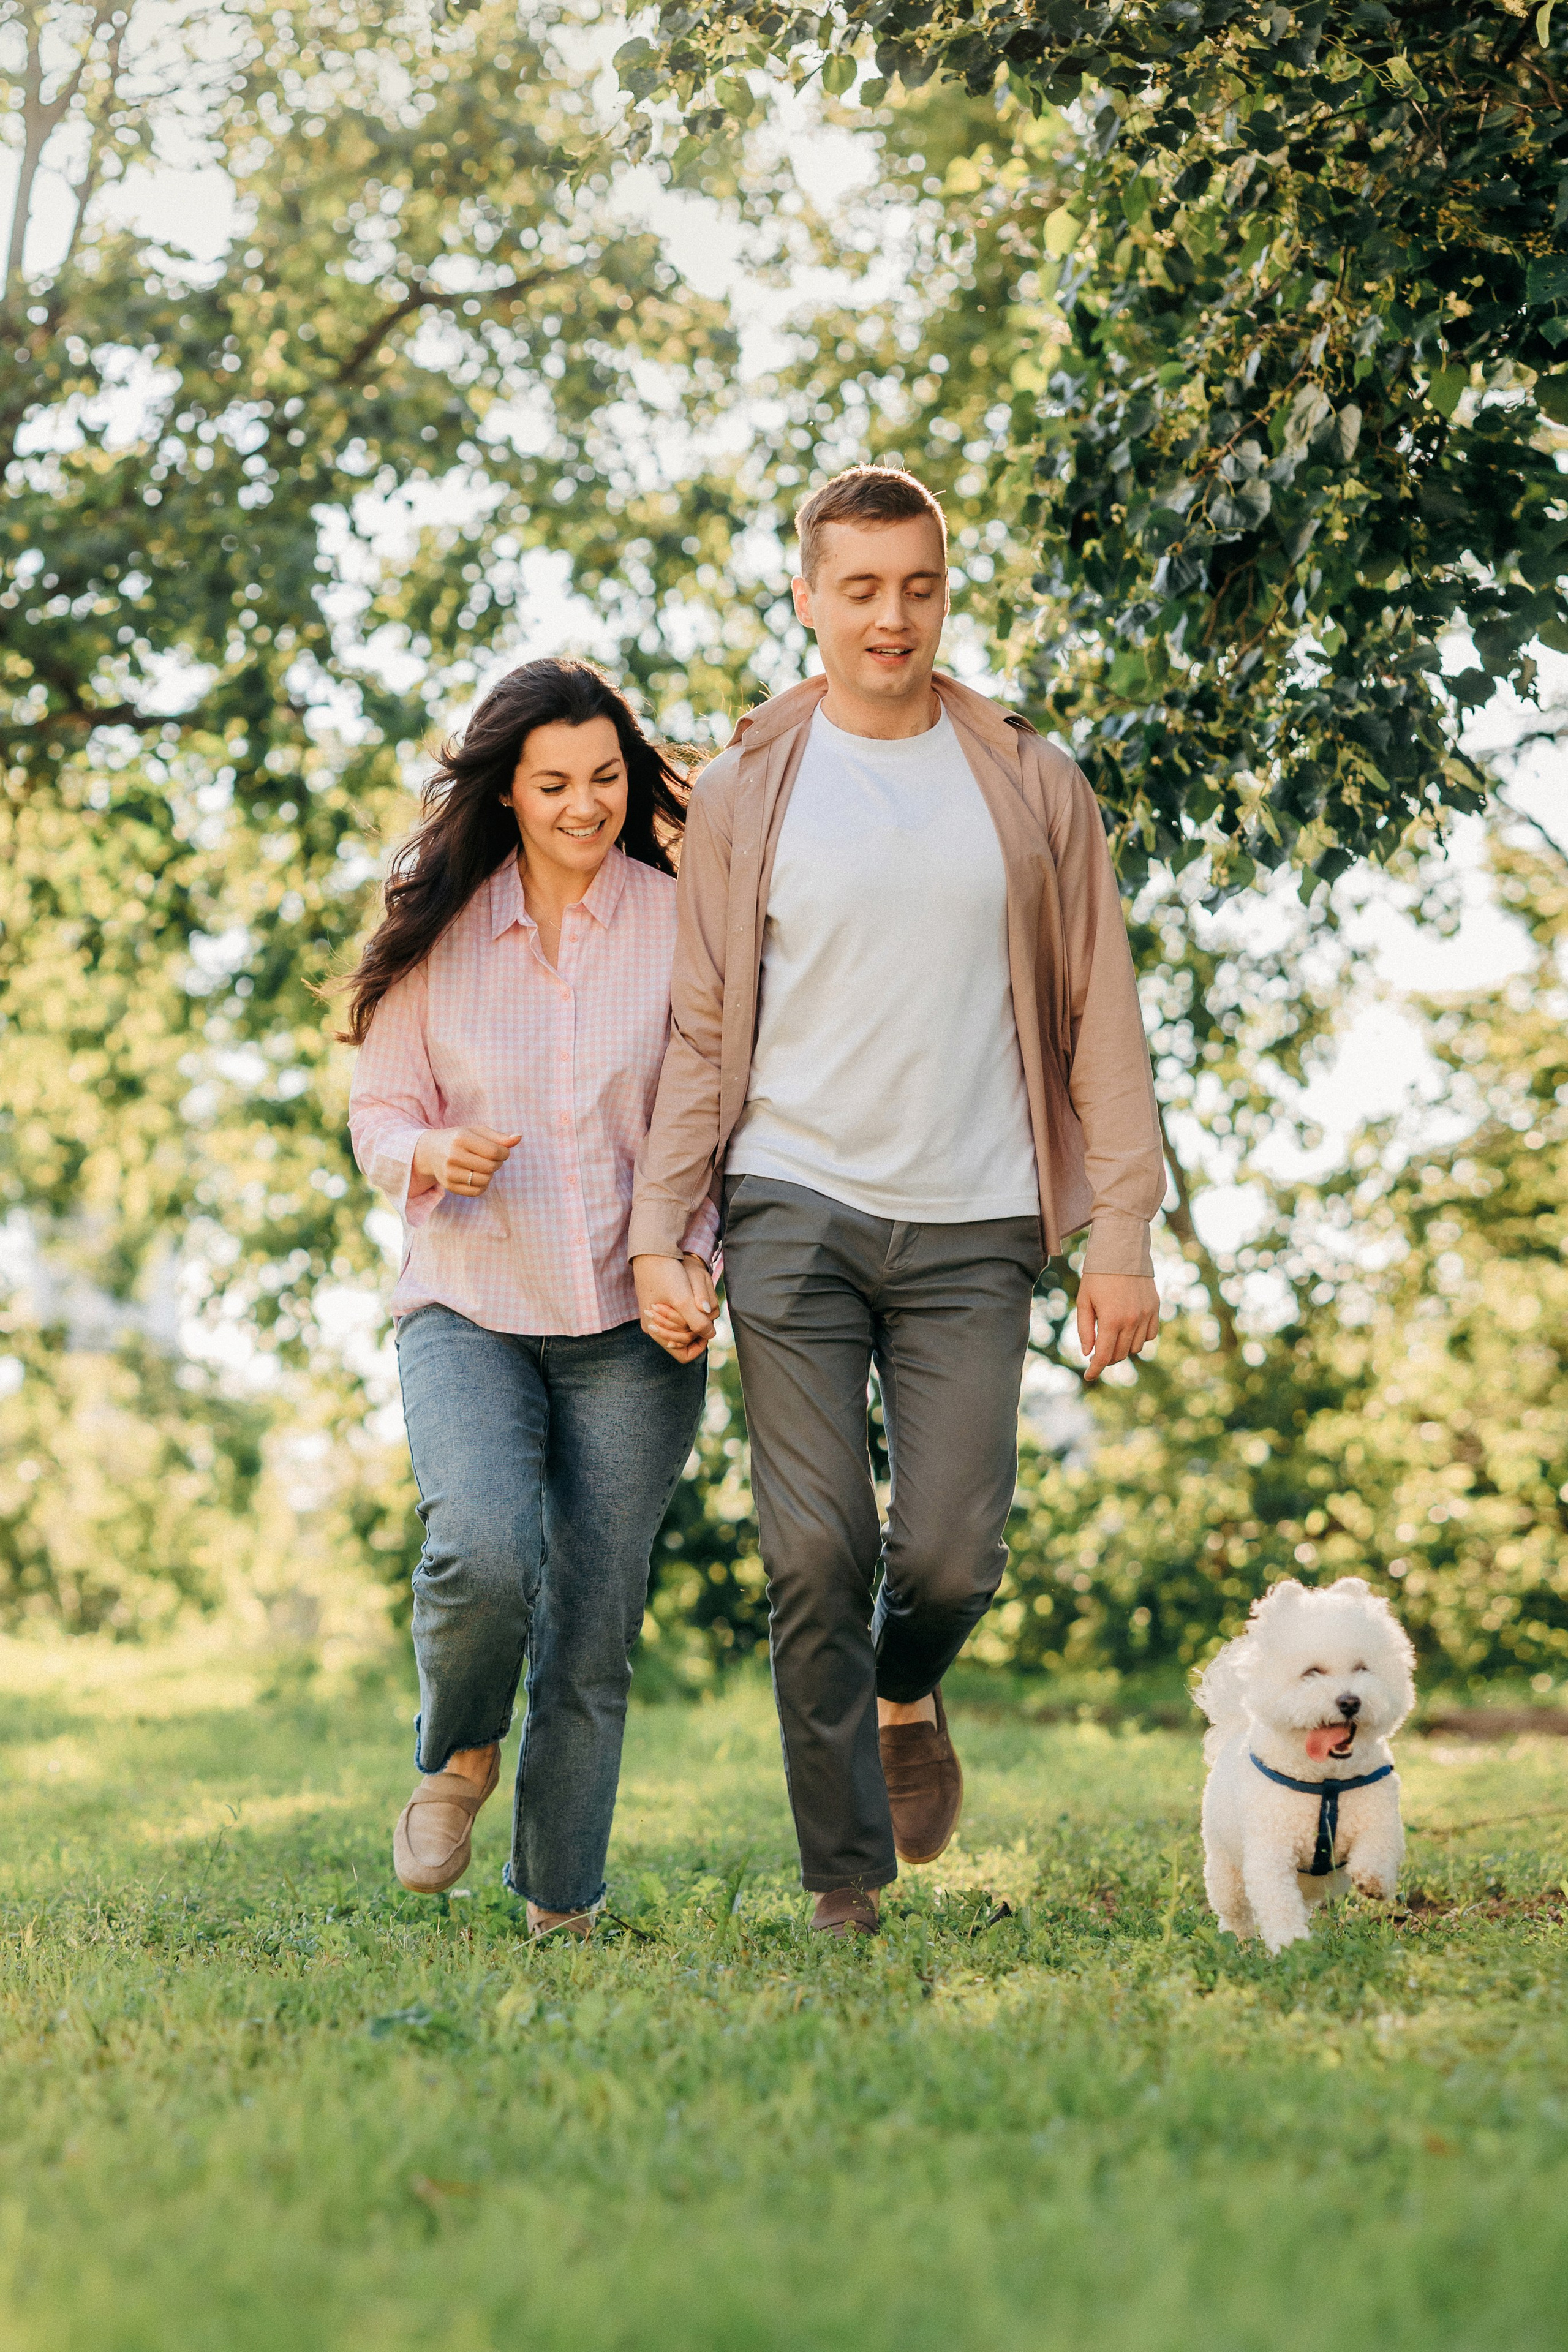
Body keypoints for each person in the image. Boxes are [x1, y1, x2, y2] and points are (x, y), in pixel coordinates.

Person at [630, 467, 1164, 1936]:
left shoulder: (1031, 783)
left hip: (976, 1216)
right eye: (859, 589)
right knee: (812, 1552)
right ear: (806, 598)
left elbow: (1098, 1015)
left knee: (947, 1552)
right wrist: (659, 1228)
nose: (891, 617)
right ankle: (842, 1883)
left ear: (942, 593)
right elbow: (699, 1031)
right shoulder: (743, 792)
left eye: (917, 587)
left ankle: (907, 1689)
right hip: (790, 1201)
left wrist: (1120, 1232)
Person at [344, 658, 717, 1939]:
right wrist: (427, 1152)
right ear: (507, 789)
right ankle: (457, 1753)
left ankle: (561, 1903)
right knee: (481, 1548)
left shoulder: (680, 925)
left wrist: (697, 1257)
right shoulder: (442, 924)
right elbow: (377, 1110)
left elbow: (712, 1115)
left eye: (605, 778)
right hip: (470, 1302)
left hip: (632, 1323)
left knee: (595, 1624)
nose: (584, 805)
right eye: (553, 783)